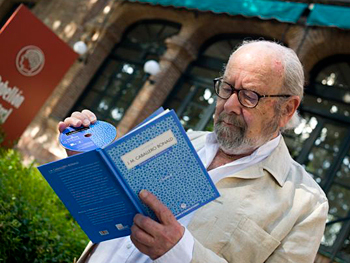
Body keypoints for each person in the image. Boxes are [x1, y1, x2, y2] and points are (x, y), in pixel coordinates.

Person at [59, 40, 328, 263]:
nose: (230, 105)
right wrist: (85, 164)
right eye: (226, 88)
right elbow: (111, 212)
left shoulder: (306, 204)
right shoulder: (175, 139)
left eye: (250, 95)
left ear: (287, 109)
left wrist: (180, 252)